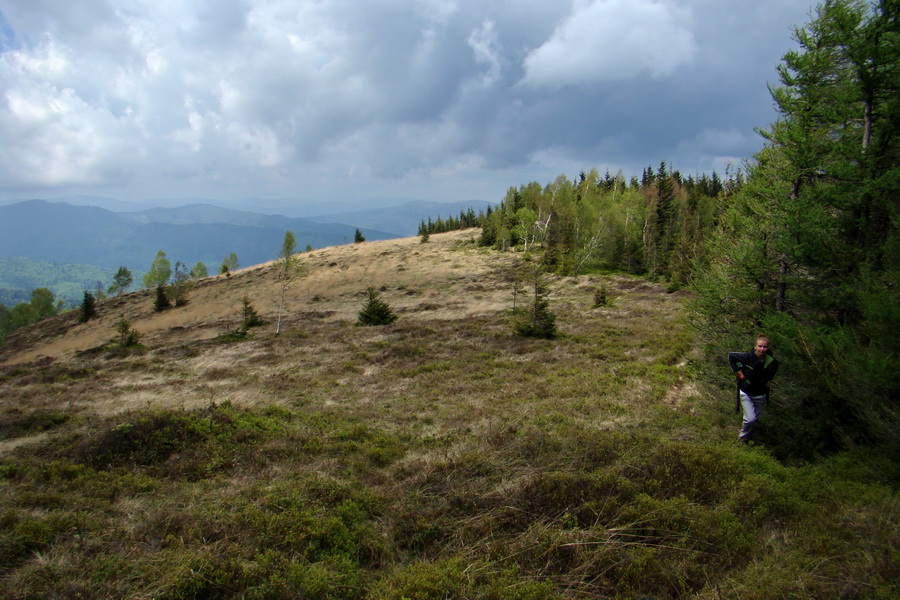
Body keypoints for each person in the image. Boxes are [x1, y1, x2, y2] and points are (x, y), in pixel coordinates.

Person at [728, 334, 779, 443]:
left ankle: (749, 440)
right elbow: (731, 356)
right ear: (755, 347)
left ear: (767, 348)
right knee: (750, 419)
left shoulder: (770, 361)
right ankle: (742, 440)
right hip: (747, 392)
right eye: (760, 346)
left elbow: (775, 367)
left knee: (754, 420)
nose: (762, 349)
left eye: (764, 347)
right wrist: (737, 371)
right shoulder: (748, 357)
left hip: (761, 395)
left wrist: (770, 380)